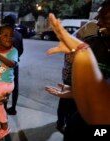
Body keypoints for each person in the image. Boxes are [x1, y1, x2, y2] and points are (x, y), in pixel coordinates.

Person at [45, 1, 110, 140]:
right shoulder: (95, 41)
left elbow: (101, 118)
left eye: (105, 18)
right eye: (98, 18)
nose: (98, 23)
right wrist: (76, 92)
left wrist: (83, 52)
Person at [2, 15, 24, 115]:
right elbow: (22, 50)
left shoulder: (4, 35)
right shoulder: (19, 35)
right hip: (15, 64)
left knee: (5, 86)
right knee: (15, 87)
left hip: (5, 65)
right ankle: (13, 108)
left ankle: (4, 107)